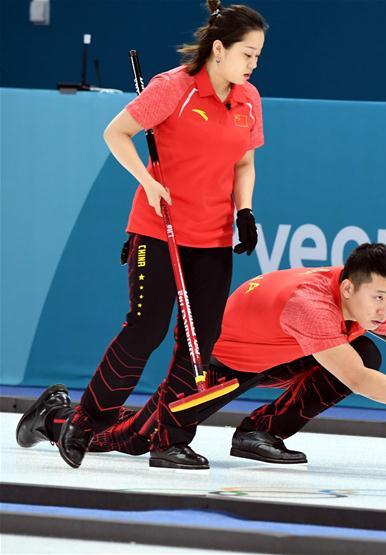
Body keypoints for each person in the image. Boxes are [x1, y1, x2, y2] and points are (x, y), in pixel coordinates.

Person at [18, 244, 386, 465]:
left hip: (270, 357)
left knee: (366, 349)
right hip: (219, 365)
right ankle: (56, 418)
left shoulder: (365, 301)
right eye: (378, 298)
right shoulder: (312, 307)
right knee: (136, 439)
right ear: (347, 288)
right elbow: (358, 381)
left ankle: (259, 432)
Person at [52, 1, 268, 470]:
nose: (254, 64)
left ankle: (170, 438)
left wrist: (244, 210)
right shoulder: (172, 88)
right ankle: (85, 421)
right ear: (218, 49)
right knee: (146, 328)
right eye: (248, 54)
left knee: (200, 343)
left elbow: (244, 161)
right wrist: (147, 181)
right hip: (159, 229)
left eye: (258, 56)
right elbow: (117, 133)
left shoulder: (248, 99)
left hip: (211, 236)